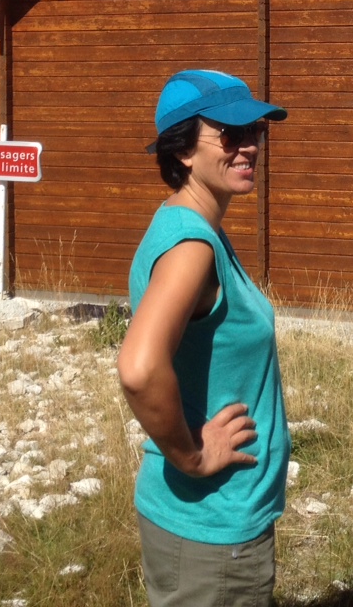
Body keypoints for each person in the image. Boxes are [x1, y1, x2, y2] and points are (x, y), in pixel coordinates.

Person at [117, 69, 291, 607]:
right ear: (183, 151)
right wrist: (192, 455)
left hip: (203, 523)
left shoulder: (185, 224)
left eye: (254, 131)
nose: (249, 146)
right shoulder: (192, 246)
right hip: (212, 527)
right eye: (229, 134)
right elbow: (139, 368)